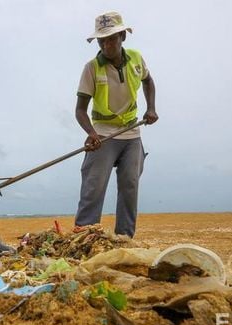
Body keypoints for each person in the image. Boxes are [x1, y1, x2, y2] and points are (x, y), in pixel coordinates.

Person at [74, 11, 158, 238]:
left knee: (130, 186)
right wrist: (91, 133)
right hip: (102, 134)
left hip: (131, 133)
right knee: (94, 187)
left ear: (123, 36)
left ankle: (124, 239)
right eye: (102, 40)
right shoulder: (92, 68)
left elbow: (148, 81)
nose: (106, 44)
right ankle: (85, 237)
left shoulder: (136, 59)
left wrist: (151, 108)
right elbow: (80, 110)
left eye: (111, 38)